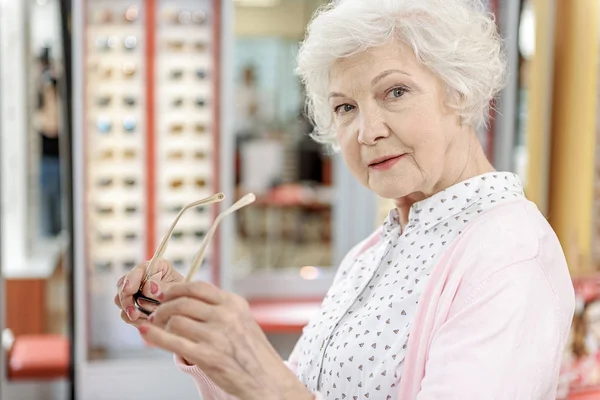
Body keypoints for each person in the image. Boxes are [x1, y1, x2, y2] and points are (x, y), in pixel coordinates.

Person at [115, 0, 575, 398]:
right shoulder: (370, 255)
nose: (367, 131)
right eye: (345, 107)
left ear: (460, 91)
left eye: (395, 92)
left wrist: (273, 387)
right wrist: (210, 346)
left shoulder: (510, 255)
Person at [35, 46, 62, 237]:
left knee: (52, 196)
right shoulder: (48, 83)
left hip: (52, 156)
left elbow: (52, 126)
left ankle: (53, 232)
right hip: (51, 156)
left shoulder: (48, 84)